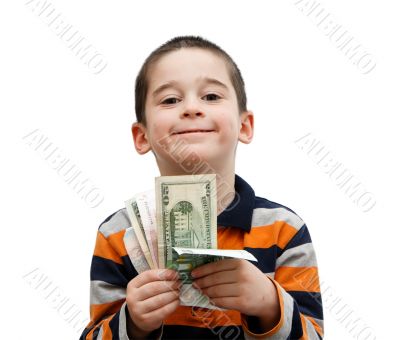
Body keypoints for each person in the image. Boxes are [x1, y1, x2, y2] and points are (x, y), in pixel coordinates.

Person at [80, 35, 324, 339]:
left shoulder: (284, 230)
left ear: (245, 127)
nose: (192, 108)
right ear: (141, 137)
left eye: (210, 96)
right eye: (170, 99)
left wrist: (269, 305)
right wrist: (132, 323)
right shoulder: (119, 235)